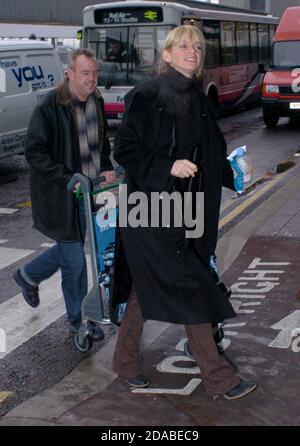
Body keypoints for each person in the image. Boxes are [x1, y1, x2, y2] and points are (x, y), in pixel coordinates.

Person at [111, 25, 257, 400]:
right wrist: (167, 166)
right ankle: (220, 379)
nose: (192, 50)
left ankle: (125, 364)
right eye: (183, 46)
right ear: (167, 54)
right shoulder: (147, 95)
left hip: (184, 211)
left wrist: (235, 175)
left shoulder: (198, 97)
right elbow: (124, 150)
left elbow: (206, 155)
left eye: (196, 46)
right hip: (149, 211)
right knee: (192, 287)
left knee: (147, 290)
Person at [13, 48, 115, 337]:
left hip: (89, 194)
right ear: (69, 74)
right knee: (74, 261)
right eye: (85, 73)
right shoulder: (49, 107)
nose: (91, 79)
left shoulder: (96, 100)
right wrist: (68, 179)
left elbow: (101, 142)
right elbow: (34, 152)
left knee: (71, 250)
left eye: (95, 73)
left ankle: (27, 275)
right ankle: (79, 321)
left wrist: (105, 165)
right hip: (60, 196)